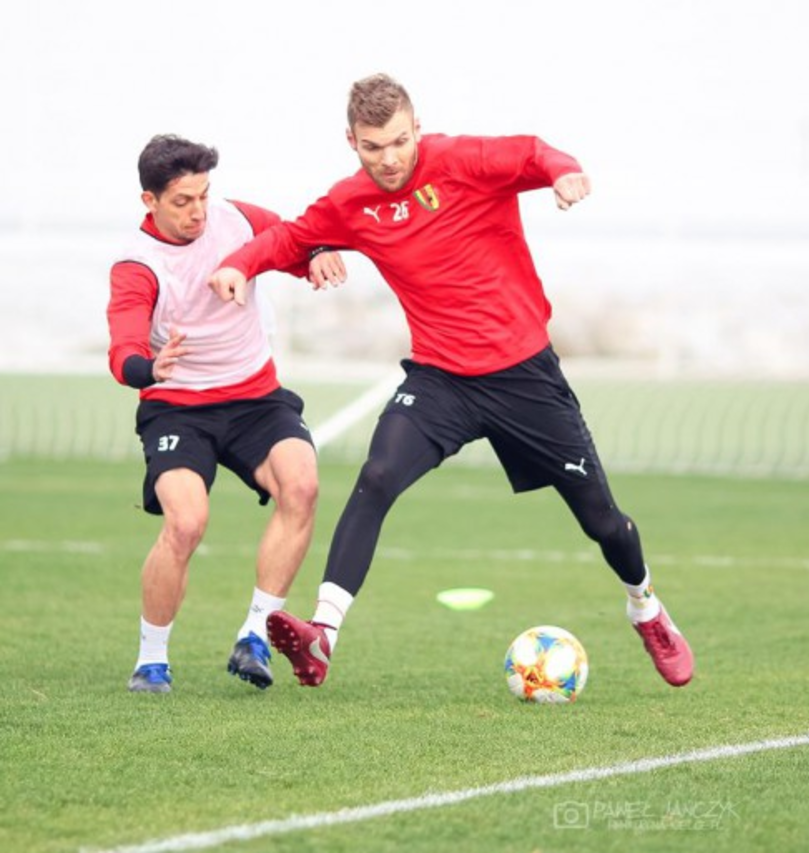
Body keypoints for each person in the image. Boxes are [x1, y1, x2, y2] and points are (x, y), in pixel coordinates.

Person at [208, 72, 694, 689]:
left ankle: (645, 608)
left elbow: (533, 152)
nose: (389, 159)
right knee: (377, 475)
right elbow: (290, 238)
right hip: (441, 379)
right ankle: (323, 632)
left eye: (399, 142)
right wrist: (238, 264)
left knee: (603, 521)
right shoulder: (351, 203)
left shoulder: (465, 161)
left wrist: (564, 172)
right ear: (352, 141)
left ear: (417, 128)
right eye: (373, 147)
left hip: (524, 377)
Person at [108, 134, 345, 693]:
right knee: (186, 522)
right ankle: (151, 661)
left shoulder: (236, 220)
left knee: (302, 485)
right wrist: (150, 367)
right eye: (182, 201)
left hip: (255, 399)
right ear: (150, 201)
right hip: (177, 409)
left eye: (203, 196)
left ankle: (255, 635)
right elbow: (123, 352)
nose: (198, 212)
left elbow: (294, 239)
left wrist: (317, 254)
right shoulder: (137, 265)